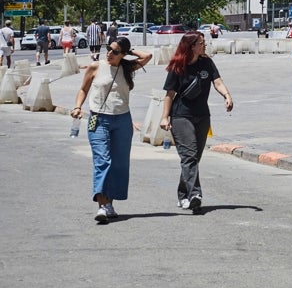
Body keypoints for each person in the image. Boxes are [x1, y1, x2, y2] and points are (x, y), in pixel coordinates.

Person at [69, 36, 154, 223]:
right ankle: (101, 205)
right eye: (109, 48)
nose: (109, 53)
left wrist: (127, 52)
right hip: (98, 119)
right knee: (102, 161)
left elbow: (148, 56)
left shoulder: (127, 68)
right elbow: (83, 89)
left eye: (115, 51)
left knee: (118, 164)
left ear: (122, 54)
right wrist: (77, 107)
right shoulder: (96, 66)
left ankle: (109, 204)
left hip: (123, 120)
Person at [160, 32, 233, 213]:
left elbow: (217, 81)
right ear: (191, 46)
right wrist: (164, 117)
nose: (204, 45)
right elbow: (169, 94)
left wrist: (227, 95)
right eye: (201, 43)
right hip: (181, 116)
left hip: (202, 116)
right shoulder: (178, 66)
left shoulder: (206, 62)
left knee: (193, 158)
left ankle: (183, 194)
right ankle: (195, 195)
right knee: (189, 156)